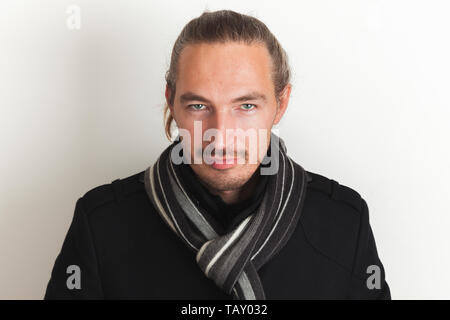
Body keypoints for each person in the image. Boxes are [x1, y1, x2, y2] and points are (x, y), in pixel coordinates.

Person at [44, 9, 390, 300]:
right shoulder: (102, 225)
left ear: (280, 104)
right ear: (171, 101)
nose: (221, 135)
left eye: (246, 105)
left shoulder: (343, 223)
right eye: (198, 105)